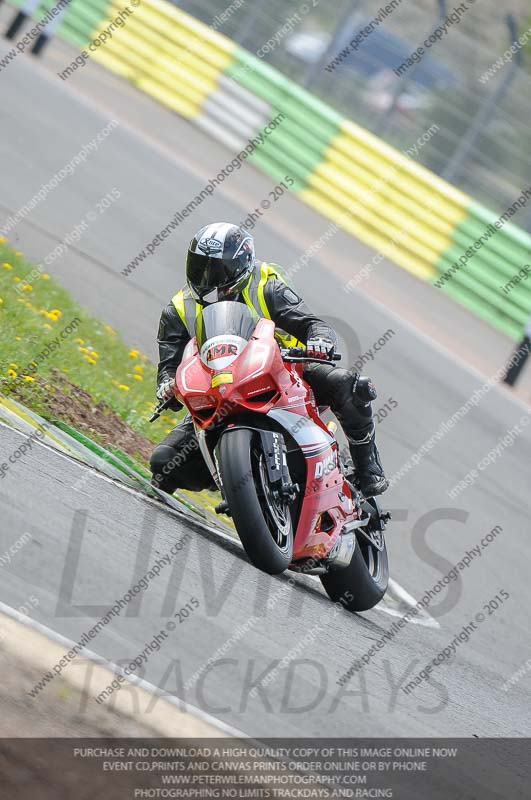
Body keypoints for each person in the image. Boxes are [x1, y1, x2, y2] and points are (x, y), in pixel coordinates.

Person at [150, 223, 388, 497]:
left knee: (347, 383)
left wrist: (319, 341)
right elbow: (169, 366)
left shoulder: (266, 287)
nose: (209, 278)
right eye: (200, 268)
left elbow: (313, 324)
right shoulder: (178, 309)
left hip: (286, 372)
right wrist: (168, 385)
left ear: (241, 265)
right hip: (219, 388)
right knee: (164, 464)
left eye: (219, 270)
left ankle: (369, 469)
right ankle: (240, 482)